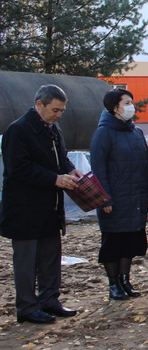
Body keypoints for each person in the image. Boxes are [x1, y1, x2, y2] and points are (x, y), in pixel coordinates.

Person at [1, 85, 82, 324]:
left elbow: (62, 158)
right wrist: (55, 179)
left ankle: (49, 300)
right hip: (24, 209)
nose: (59, 114)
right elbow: (18, 169)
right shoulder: (18, 130)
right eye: (55, 109)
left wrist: (70, 170)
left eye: (62, 111)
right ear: (39, 105)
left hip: (50, 207)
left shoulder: (53, 129)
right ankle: (26, 307)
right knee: (26, 262)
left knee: (50, 257)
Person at [90, 89, 148, 300]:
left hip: (136, 198)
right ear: (115, 107)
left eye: (132, 101)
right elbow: (99, 170)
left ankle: (125, 280)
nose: (132, 106)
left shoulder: (136, 132)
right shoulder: (103, 133)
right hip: (115, 199)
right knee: (113, 243)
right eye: (128, 102)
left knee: (130, 243)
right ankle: (114, 284)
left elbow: (145, 165)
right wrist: (105, 198)